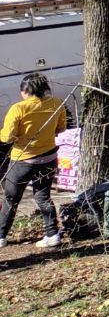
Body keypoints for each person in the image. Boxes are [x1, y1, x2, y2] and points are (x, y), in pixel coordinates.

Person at [0, 72, 69, 249]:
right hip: (48, 158)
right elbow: (61, 128)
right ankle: (52, 234)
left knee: (10, 198)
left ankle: (1, 235)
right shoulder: (56, 103)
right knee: (43, 196)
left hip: (23, 160)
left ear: (26, 91)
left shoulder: (19, 108)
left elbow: (7, 137)